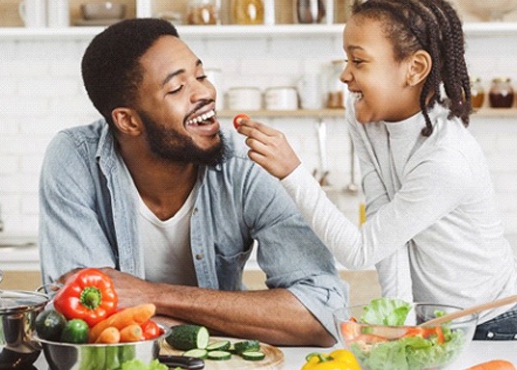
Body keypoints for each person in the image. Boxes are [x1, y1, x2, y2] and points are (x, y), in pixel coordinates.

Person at [38, 18, 348, 346]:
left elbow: (322, 316)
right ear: (128, 120)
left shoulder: (248, 164)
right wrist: (238, 319)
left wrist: (151, 295)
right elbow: (85, 320)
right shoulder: (75, 158)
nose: (205, 92)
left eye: (200, 75)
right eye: (177, 88)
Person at [237, 0, 517, 340]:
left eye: (358, 61)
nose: (345, 75)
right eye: (346, 60)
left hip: (492, 322)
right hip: (436, 324)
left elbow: (361, 251)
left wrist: (292, 173)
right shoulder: (364, 117)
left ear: (414, 68)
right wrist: (401, 323)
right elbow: (386, 233)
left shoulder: (447, 159)